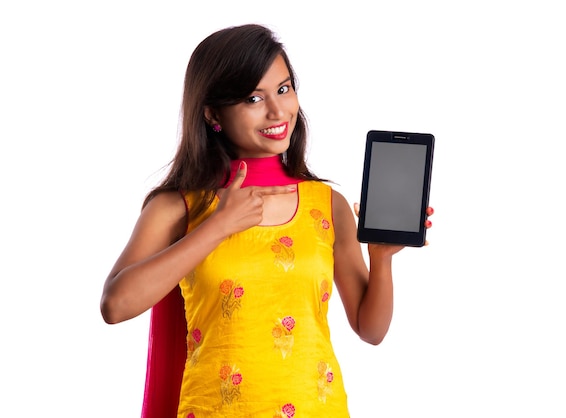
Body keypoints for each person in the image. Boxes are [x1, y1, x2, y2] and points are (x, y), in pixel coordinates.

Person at [100, 23, 434, 418]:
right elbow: (115, 305)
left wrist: (381, 257)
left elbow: (371, 330)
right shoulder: (179, 207)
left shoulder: (328, 204)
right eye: (253, 99)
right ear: (212, 114)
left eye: (284, 89)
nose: (278, 111)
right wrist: (218, 226)